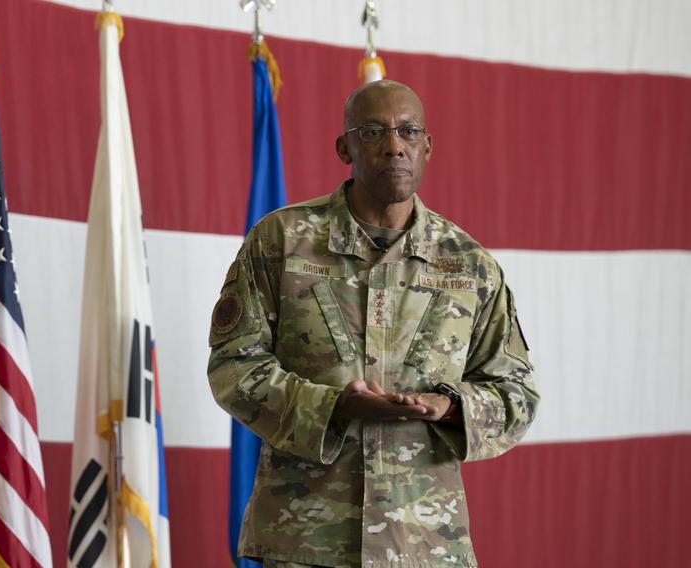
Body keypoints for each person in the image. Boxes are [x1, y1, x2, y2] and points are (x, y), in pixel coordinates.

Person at [207, 80, 539, 568]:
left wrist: (447, 407)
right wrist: (334, 406)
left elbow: (516, 393)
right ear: (345, 147)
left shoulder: (469, 263)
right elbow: (234, 368)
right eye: (373, 132)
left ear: (428, 147)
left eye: (408, 131)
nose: (394, 146)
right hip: (305, 540)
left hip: (425, 543)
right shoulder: (282, 241)